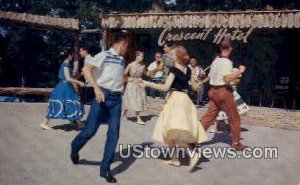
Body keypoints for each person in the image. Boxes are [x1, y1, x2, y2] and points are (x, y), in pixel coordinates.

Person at [70, 31, 129, 183]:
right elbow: (86, 70)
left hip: (116, 100)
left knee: (114, 134)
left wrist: (131, 80)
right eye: (127, 45)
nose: (127, 48)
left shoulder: (122, 60)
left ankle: (105, 169)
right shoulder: (104, 55)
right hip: (101, 97)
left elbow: (118, 77)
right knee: (89, 131)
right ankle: (75, 146)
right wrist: (96, 88)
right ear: (122, 43)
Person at [139, 45, 207, 171]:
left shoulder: (174, 70)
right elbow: (194, 87)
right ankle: (175, 159)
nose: (170, 55)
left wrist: (147, 83)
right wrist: (198, 83)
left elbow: (165, 87)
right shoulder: (188, 69)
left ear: (177, 56)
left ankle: (192, 154)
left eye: (172, 54)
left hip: (175, 99)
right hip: (184, 100)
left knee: (174, 131)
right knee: (170, 131)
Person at [198, 39, 247, 151]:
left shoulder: (215, 61)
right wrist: (240, 71)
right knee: (234, 118)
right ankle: (236, 143)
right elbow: (226, 78)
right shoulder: (227, 62)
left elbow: (211, 77)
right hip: (223, 91)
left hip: (213, 91)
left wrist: (200, 82)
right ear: (230, 49)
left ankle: (193, 139)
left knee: (208, 116)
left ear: (220, 48)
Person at [40, 49, 85, 130]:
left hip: (66, 87)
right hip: (64, 88)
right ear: (69, 56)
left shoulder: (67, 65)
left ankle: (80, 124)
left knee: (73, 103)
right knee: (71, 103)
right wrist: (79, 82)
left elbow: (70, 78)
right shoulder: (65, 65)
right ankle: (44, 123)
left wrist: (80, 74)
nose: (72, 56)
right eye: (71, 55)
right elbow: (68, 78)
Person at [122, 51, 147, 125]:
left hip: (139, 84)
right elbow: (124, 75)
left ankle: (138, 118)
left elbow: (147, 73)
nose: (143, 58)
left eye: (143, 56)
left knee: (138, 101)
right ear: (137, 57)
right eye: (142, 56)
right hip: (131, 85)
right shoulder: (130, 65)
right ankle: (124, 112)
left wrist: (157, 69)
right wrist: (129, 79)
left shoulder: (143, 66)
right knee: (129, 101)